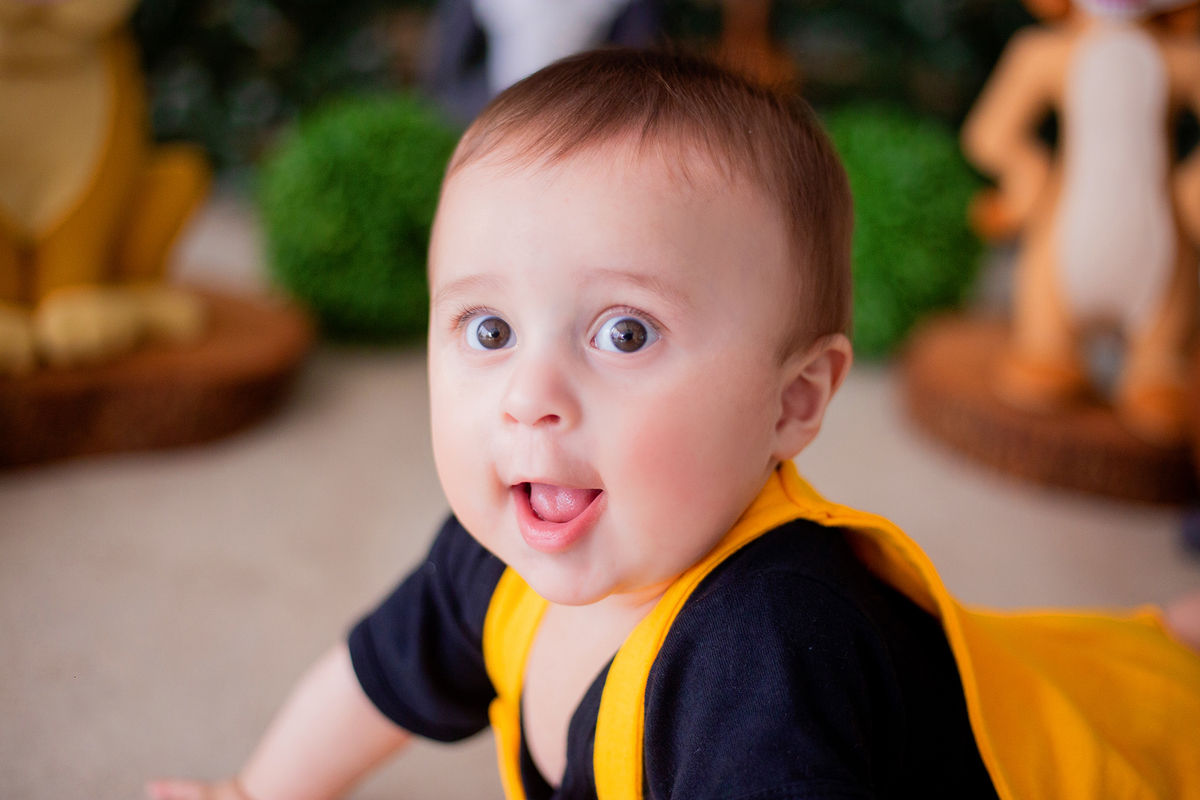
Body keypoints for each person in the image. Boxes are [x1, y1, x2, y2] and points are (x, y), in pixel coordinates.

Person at [148, 49, 1200, 800]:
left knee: (1137, 709)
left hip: (1094, 761)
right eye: (488, 325)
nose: (530, 393)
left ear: (793, 401)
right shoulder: (498, 548)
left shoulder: (769, 653)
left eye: (622, 333)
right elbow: (375, 676)